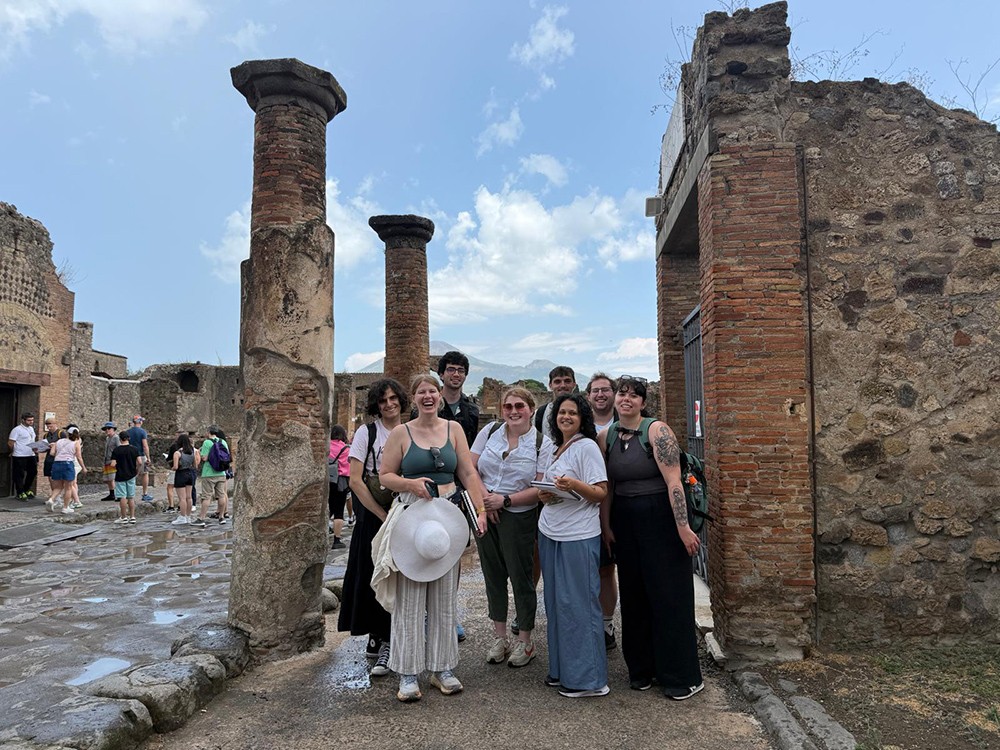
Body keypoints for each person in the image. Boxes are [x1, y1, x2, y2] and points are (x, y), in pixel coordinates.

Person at [376, 374, 487, 703]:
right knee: (410, 596)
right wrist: (410, 484)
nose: (428, 396)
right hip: (413, 513)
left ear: (440, 396)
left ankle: (442, 668)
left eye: (433, 391)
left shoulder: (454, 430)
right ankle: (408, 672)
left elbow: (467, 472)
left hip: (447, 514)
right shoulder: (401, 433)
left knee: (442, 597)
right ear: (414, 398)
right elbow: (385, 476)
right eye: (422, 392)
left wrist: (480, 509)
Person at [600, 376, 704, 701]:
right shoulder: (608, 435)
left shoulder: (658, 431)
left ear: (643, 402)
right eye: (622, 393)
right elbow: (608, 487)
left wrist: (683, 527)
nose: (627, 399)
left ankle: (679, 676)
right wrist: (606, 527)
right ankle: (641, 670)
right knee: (634, 594)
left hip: (661, 516)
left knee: (669, 594)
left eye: (634, 395)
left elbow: (674, 481)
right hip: (625, 519)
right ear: (616, 400)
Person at [471, 386, 550, 668]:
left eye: (520, 406)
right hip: (485, 513)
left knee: (521, 576)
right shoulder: (490, 432)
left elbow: (540, 488)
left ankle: (525, 640)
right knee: (492, 574)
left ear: (531, 409)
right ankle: (500, 636)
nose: (514, 411)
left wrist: (504, 501)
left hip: (519, 516)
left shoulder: (542, 443)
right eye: (508, 406)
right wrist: (486, 502)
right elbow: (471, 469)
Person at [536, 393, 609, 698]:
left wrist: (573, 485)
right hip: (551, 530)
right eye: (561, 413)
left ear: (582, 419)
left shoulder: (587, 447)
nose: (565, 417)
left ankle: (588, 680)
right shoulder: (555, 448)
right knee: (555, 603)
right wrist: (547, 494)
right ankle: (561, 670)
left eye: (572, 413)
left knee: (578, 603)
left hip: (578, 535)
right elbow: (552, 487)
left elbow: (600, 492)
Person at [339, 378, 407, 680]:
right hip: (373, 515)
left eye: (393, 398)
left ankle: (392, 636)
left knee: (403, 575)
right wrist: (380, 513)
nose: (389, 404)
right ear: (375, 405)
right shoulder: (366, 433)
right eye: (383, 400)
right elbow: (355, 479)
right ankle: (381, 637)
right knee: (374, 574)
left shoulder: (410, 430)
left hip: (405, 513)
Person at [585, 372, 620, 651]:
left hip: (622, 503)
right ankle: (591, 622)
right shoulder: (584, 428)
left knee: (609, 570)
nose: (600, 394)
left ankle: (608, 623)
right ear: (588, 396)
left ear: (614, 394)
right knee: (592, 568)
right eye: (595, 390)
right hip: (589, 506)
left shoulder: (626, 423)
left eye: (606, 390)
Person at [194, 425, 229, 527]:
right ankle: (221, 517)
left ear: (208, 432)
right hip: (221, 473)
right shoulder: (223, 442)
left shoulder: (207, 442)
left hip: (209, 473)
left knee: (207, 497)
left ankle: (201, 518)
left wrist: (200, 452)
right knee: (221, 495)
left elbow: (204, 458)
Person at [47, 425, 86, 514]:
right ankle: (65, 507)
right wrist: (83, 467)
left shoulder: (59, 441)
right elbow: (79, 457)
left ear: (68, 434)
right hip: (68, 464)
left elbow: (52, 453)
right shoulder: (76, 443)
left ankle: (51, 499)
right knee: (68, 487)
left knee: (58, 487)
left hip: (56, 464)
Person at [534, 366, 577, 442]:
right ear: (550, 385)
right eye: (557, 382)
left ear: (574, 384)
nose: (563, 385)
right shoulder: (539, 414)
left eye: (567, 381)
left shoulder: (582, 412)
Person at [110, 431, 141, 524]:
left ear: (120, 439)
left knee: (122, 496)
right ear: (128, 438)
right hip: (131, 474)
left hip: (120, 475)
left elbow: (113, 464)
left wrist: (116, 466)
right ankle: (132, 516)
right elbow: (139, 462)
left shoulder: (117, 450)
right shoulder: (134, 449)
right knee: (130, 496)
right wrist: (137, 470)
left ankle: (123, 517)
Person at [169, 433, 199, 526]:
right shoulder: (192, 452)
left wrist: (172, 468)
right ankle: (188, 516)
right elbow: (195, 465)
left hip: (181, 474)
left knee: (182, 498)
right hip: (190, 473)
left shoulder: (177, 453)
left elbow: (175, 466)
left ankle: (182, 516)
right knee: (189, 497)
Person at [328, 424, 350, 549]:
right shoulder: (345, 448)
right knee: (339, 511)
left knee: (328, 508)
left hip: (327, 480)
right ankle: (337, 540)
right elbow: (348, 467)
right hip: (340, 481)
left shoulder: (326, 445)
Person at [8, 412, 38, 500]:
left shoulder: (31, 429)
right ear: (23, 420)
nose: (31, 422)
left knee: (33, 472)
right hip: (20, 455)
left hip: (31, 454)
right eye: (29, 420)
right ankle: (20, 492)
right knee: (19, 474)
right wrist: (12, 451)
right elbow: (10, 442)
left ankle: (26, 489)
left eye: (32, 420)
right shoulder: (17, 430)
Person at [126, 416, 153, 502]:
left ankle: (130, 493)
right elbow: (145, 446)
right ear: (140, 422)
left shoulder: (128, 432)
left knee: (131, 475)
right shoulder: (142, 432)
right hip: (140, 455)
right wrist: (148, 457)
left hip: (130, 455)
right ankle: (145, 493)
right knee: (145, 474)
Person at [40, 418, 59, 500]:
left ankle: (55, 497)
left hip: (57, 458)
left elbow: (66, 446)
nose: (49, 428)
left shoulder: (61, 434)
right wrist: (38, 449)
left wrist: (55, 445)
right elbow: (44, 448)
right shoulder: (46, 435)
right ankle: (54, 495)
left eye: (50, 426)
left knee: (56, 478)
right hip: (49, 458)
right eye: (47, 426)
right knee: (50, 477)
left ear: (55, 424)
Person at [100, 422, 120, 502]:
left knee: (113, 478)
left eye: (109, 429)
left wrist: (116, 460)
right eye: (106, 429)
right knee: (108, 479)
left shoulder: (116, 438)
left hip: (113, 461)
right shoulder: (107, 439)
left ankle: (118, 494)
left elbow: (118, 449)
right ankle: (112, 494)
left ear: (113, 429)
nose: (107, 430)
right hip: (107, 461)